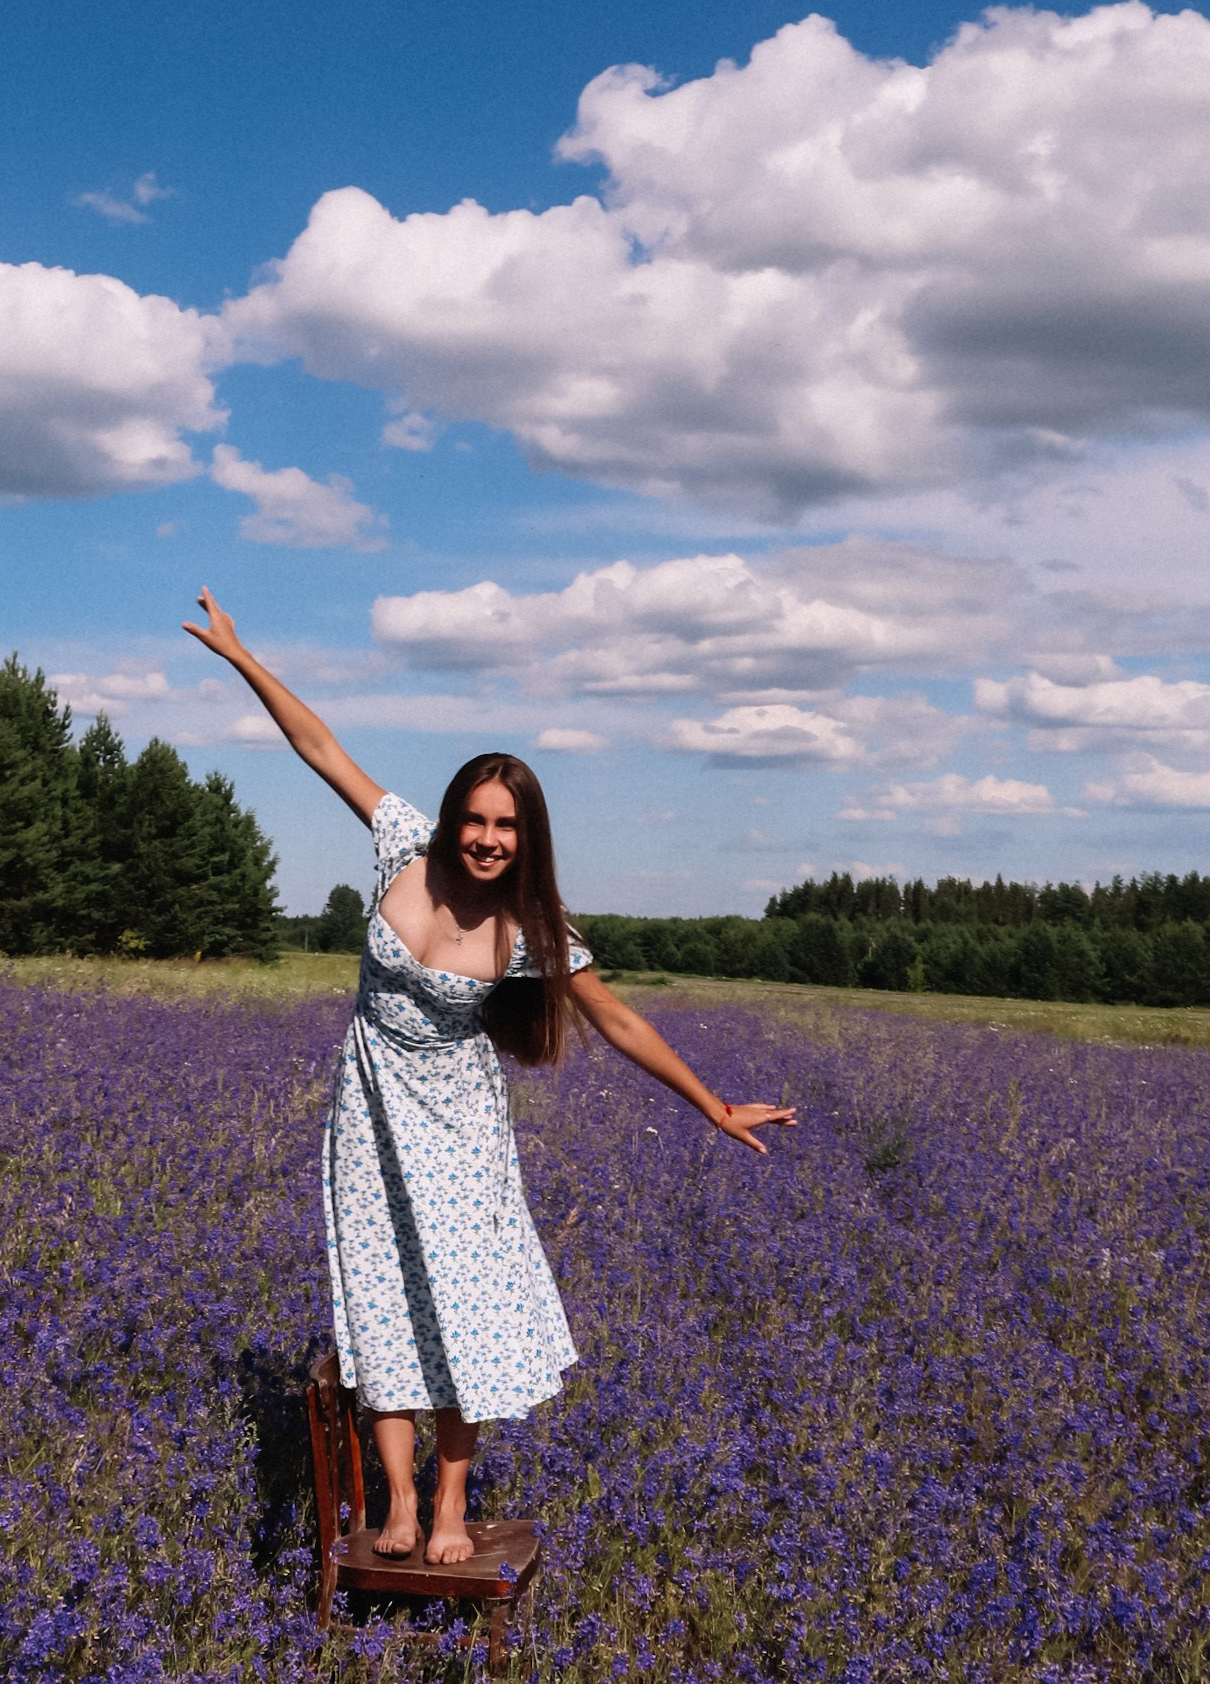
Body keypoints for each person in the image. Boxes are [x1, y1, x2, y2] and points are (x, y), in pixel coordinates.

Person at [184, 589, 797, 1565]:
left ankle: (449, 1507)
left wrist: (712, 1103)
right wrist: (241, 656)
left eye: (504, 825)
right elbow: (320, 747)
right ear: (453, 817)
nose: (484, 838)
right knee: (379, 1295)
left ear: (526, 835)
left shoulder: (531, 931)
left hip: (461, 1126)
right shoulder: (401, 845)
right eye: (474, 818)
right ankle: (394, 1501)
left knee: (459, 1305)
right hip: (371, 1112)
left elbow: (618, 1018)